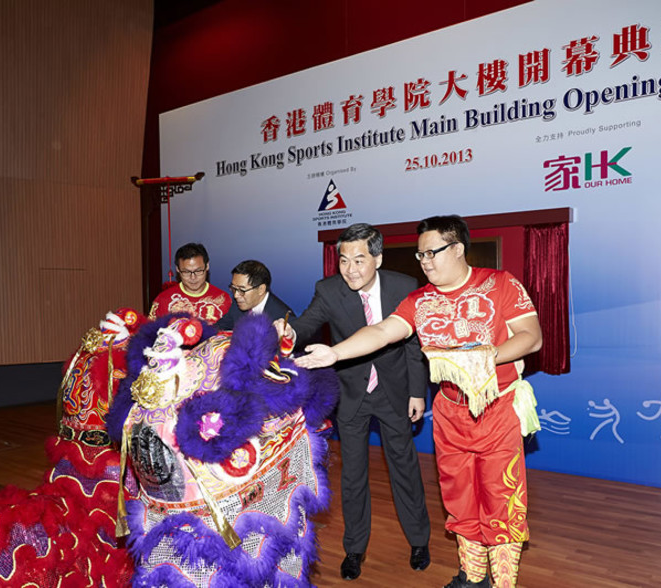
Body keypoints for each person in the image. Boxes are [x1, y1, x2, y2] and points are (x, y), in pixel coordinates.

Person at [294, 215, 542, 588]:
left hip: (497, 408)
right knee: (459, 500)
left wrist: (486, 357)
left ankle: (502, 583)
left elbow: (531, 337)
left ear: (457, 248)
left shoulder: (499, 284)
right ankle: (473, 578)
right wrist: (335, 354)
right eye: (419, 254)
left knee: (500, 499)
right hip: (449, 412)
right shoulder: (420, 300)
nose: (424, 261)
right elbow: (381, 332)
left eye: (432, 252)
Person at [275, 223, 431, 580]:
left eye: (359, 260)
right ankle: (355, 549)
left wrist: (417, 391)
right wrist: (290, 332)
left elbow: (413, 346)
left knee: (404, 470)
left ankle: (419, 540)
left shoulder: (405, 287)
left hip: (394, 391)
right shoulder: (328, 290)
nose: (350, 269)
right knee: (354, 476)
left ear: (377, 257)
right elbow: (307, 322)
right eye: (343, 260)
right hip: (351, 394)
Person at [148, 242, 231, 324]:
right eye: (186, 272)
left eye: (198, 271)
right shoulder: (163, 300)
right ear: (178, 269)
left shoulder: (224, 300)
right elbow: (149, 333)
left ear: (207, 266)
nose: (193, 278)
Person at [214, 260, 294, 330]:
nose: (236, 295)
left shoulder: (284, 318)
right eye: (234, 288)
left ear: (261, 289)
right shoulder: (238, 302)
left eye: (242, 290)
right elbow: (221, 326)